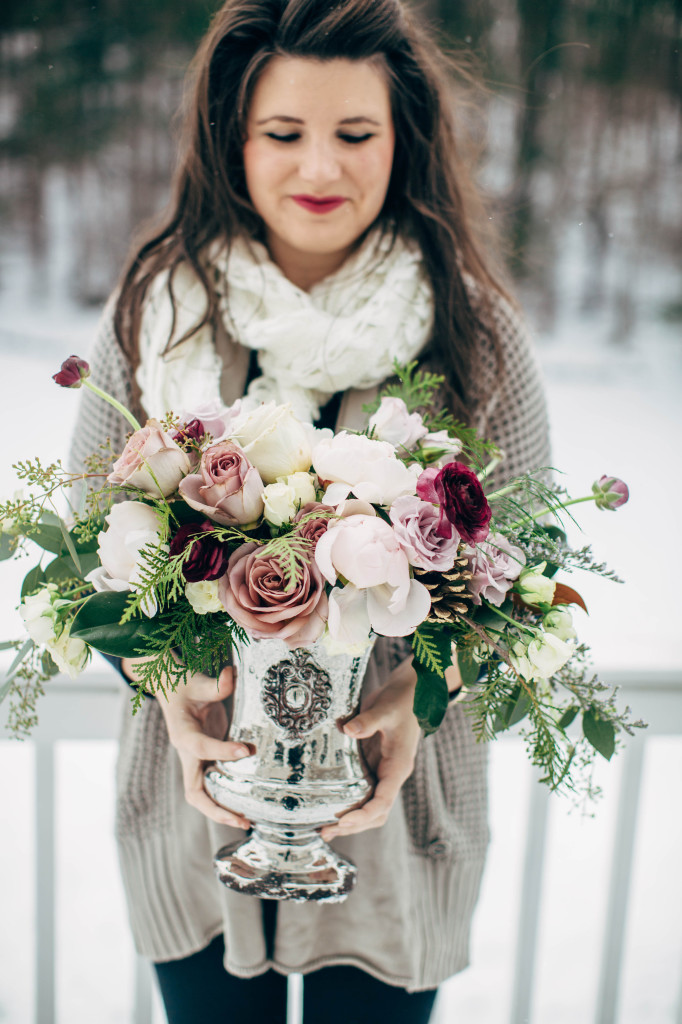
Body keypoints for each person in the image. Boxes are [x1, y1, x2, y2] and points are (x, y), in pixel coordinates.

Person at [69, 1, 550, 1021]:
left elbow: (529, 570)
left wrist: (421, 700)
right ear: (231, 142)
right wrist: (169, 692)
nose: (319, 169)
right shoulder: (157, 307)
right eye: (284, 134)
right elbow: (86, 556)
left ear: (403, 141)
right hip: (194, 811)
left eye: (355, 134)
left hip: (397, 825)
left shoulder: (476, 334)